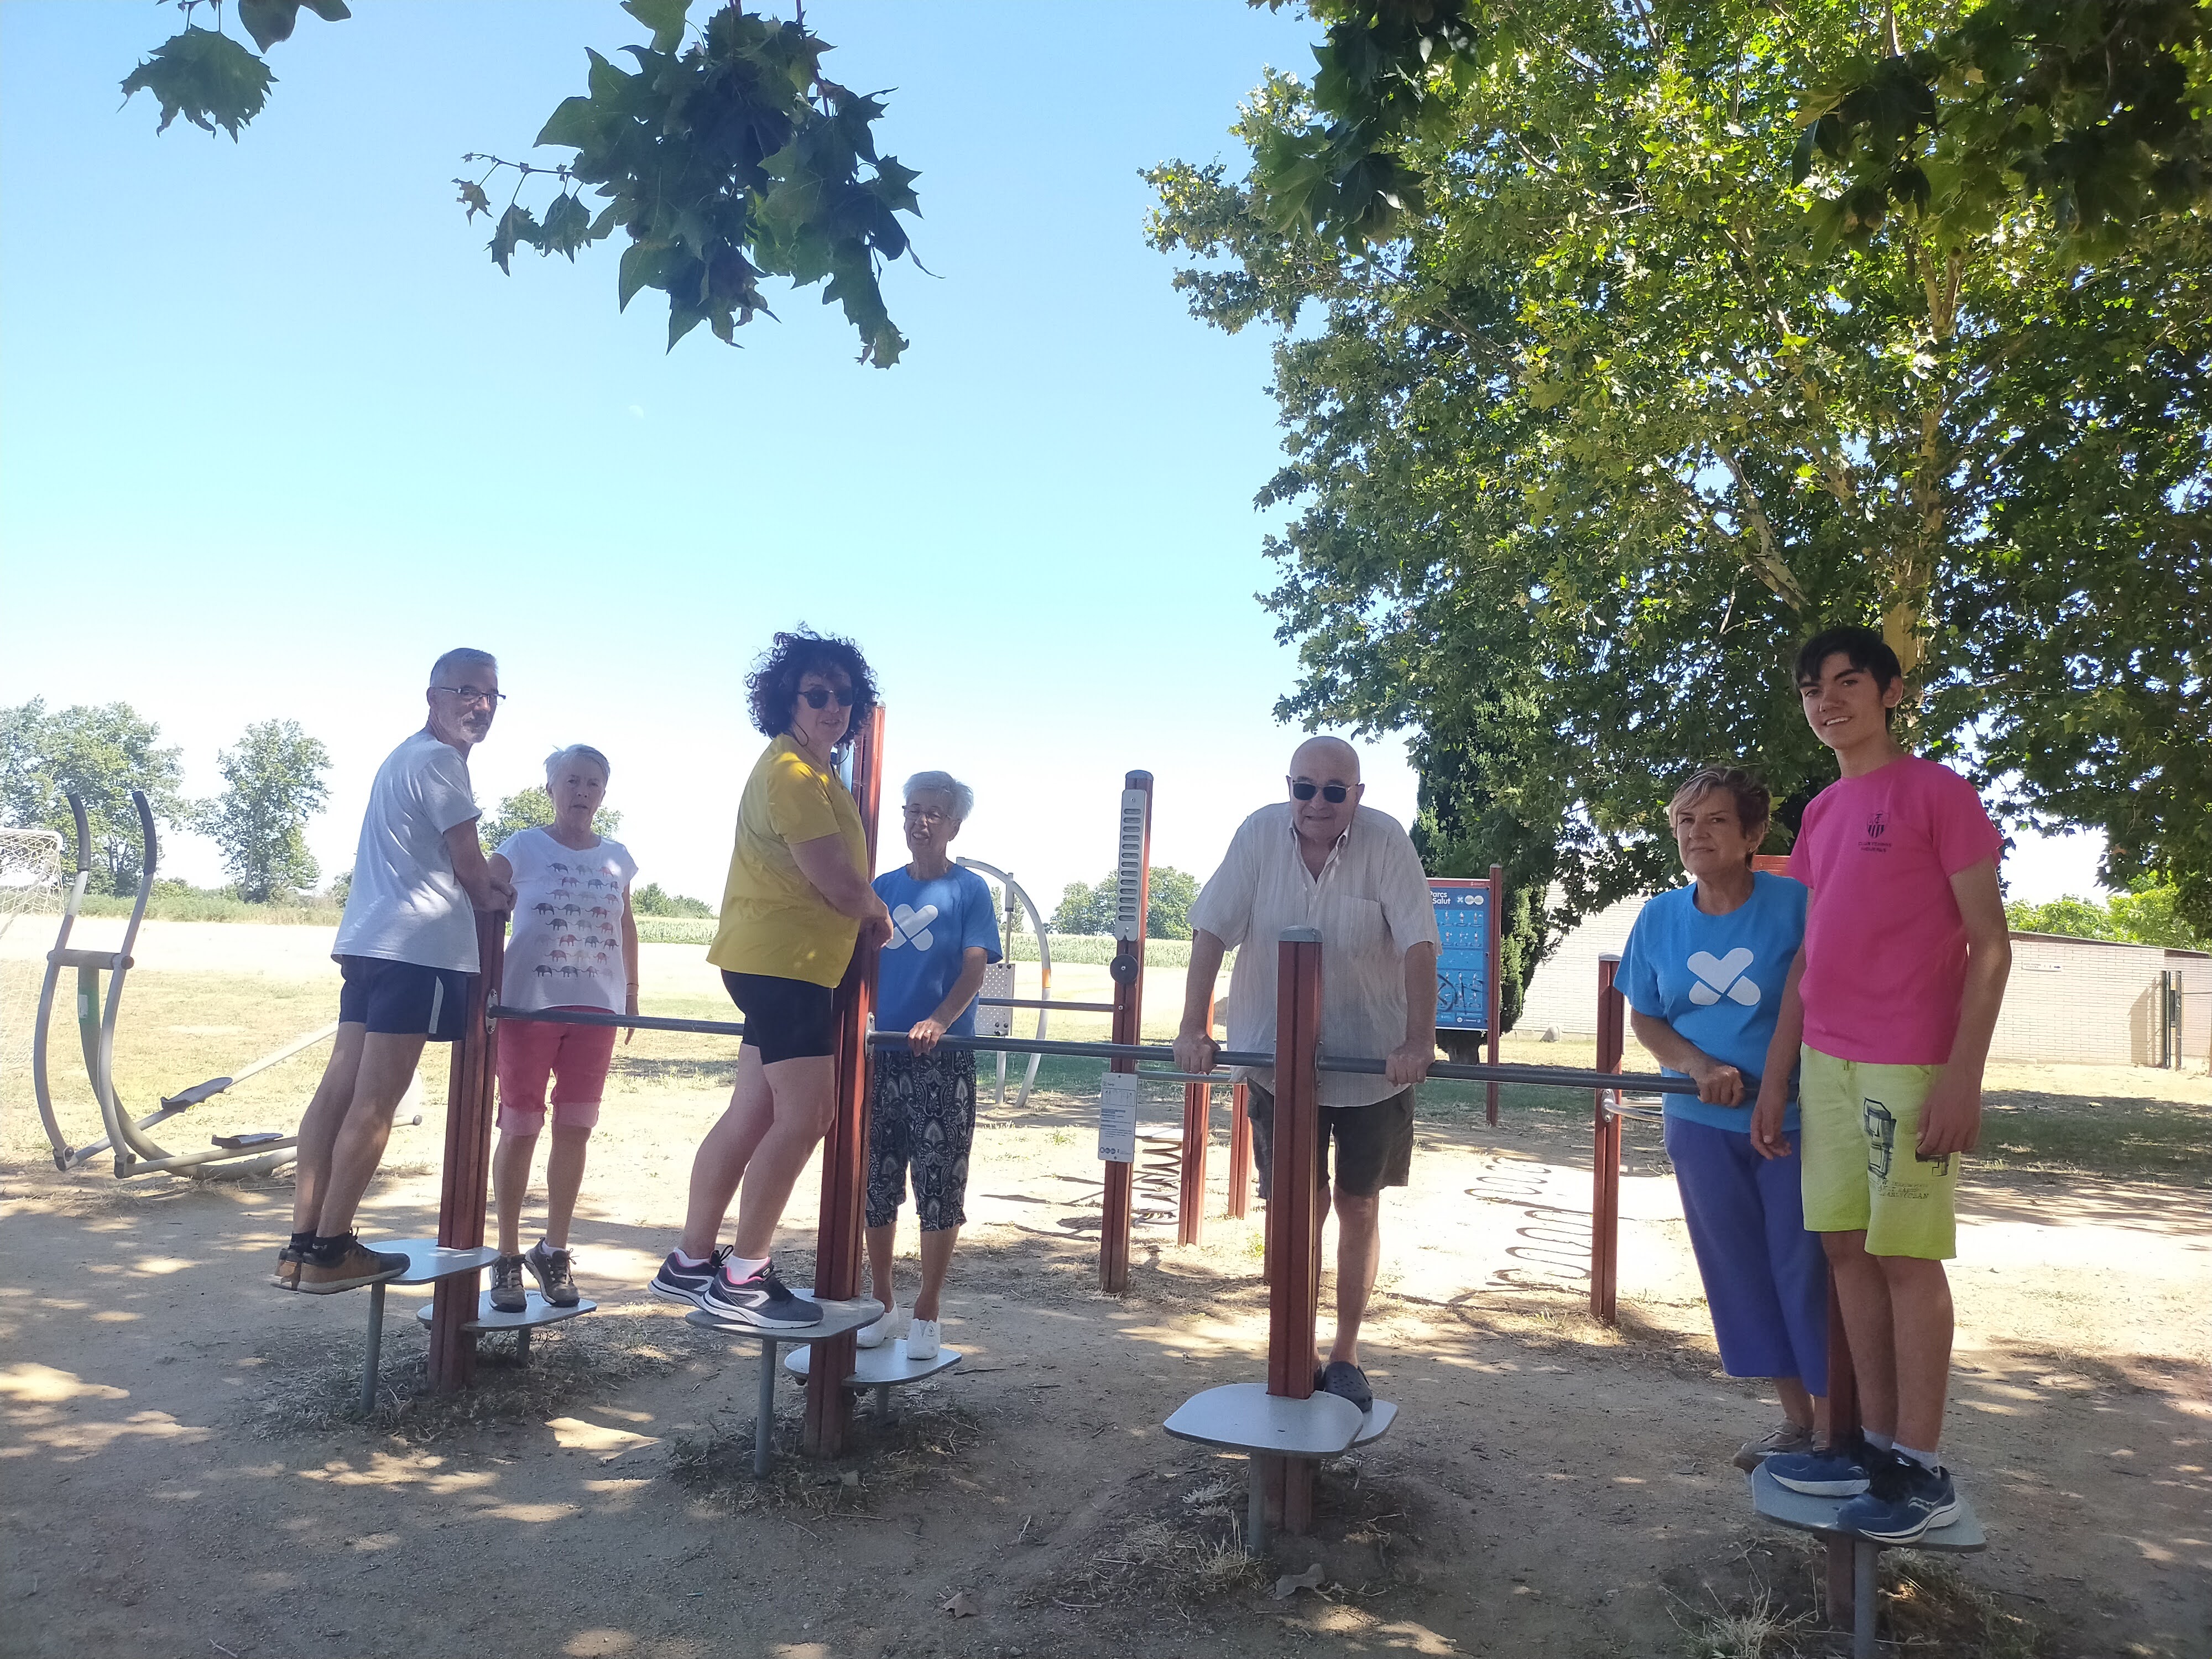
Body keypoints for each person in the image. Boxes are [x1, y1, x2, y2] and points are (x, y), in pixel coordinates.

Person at [1753, 625, 2010, 1545]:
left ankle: (1923, 1470)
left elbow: (1991, 946)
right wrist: (1776, 1079)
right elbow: (1808, 958)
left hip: (1911, 1063)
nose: (1827, 701)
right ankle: (1869, 1450)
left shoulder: (1939, 793)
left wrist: (1963, 1078)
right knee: (1844, 1251)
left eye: (1847, 682)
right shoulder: (1822, 813)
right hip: (1826, 1062)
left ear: (1892, 692)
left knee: (1906, 1259)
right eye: (1811, 688)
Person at [1173, 735, 1441, 1410]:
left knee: (1357, 1203)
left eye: (1333, 791)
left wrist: (1418, 1040)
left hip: (1370, 1061)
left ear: (1357, 794)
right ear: (1288, 787)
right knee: (1297, 1206)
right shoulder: (1259, 834)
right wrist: (1192, 1027)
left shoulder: (1386, 840)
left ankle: (1345, 1354)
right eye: (1304, 788)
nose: (1316, 803)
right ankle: (1294, 1345)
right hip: (1277, 1062)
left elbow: (1419, 942)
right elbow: (1211, 931)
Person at [648, 629, 891, 1329]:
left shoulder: (811, 770)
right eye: (817, 694)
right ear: (787, 699)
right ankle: (744, 1276)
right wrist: (877, 912)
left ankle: (692, 1260)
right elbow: (837, 881)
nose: (833, 707)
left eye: (845, 695)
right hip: (787, 965)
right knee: (808, 1116)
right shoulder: (791, 774)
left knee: (752, 1113)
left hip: (775, 961)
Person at [279, 648, 515, 1293]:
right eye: (466, 692)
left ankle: (302, 1245)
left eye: (491, 695)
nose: (480, 705)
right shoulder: (441, 762)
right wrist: (499, 892)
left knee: (339, 1088)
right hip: (417, 949)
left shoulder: (402, 756)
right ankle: (332, 1248)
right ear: (433, 697)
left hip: (368, 940)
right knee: (376, 1101)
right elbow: (471, 870)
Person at [1617, 766, 1827, 1471]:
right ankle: (1796, 1423)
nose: (1695, 834)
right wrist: (1698, 1067)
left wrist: (1780, 1080)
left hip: (1794, 1122)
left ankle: (1840, 1429)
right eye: (1685, 821)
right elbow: (1646, 1017)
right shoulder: (1658, 918)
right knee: (1738, 1273)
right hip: (1700, 1124)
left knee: (1805, 1268)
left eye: (1714, 820)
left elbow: (1823, 996)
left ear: (1752, 833)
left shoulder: (1797, 905)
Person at [486, 745, 639, 1313]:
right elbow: (482, 900)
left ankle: (553, 1250)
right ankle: (506, 1255)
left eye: (593, 783)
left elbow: (626, 922)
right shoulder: (522, 847)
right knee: (521, 1126)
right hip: (529, 1006)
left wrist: (631, 992)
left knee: (576, 1126)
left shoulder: (618, 858)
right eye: (572, 780)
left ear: (604, 793)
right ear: (550, 788)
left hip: (596, 1008)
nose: (582, 792)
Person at [855, 771, 1002, 1359]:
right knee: (876, 1181)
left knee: (939, 1183)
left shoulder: (969, 891)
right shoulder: (883, 887)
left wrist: (939, 1020)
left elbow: (974, 968)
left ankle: (928, 1310)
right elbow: (860, 962)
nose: (920, 822)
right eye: (912, 810)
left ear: (954, 826)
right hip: (881, 1055)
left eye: (933, 813)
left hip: (944, 1060)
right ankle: (882, 1301)